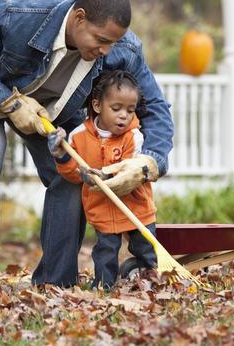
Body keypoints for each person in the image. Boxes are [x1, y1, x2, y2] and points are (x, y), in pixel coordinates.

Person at [0, 0, 173, 292]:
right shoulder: (12, 8)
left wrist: (149, 163)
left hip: (52, 107)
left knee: (75, 173)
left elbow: (154, 105)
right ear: (79, 18)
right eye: (100, 40)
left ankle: (54, 284)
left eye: (112, 43)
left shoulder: (122, 48)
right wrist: (6, 100)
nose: (106, 51)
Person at [47, 70, 157, 288]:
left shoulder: (133, 136)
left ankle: (152, 281)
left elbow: (127, 168)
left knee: (146, 248)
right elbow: (72, 174)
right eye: (116, 109)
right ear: (97, 106)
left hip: (136, 207)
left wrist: (104, 174)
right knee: (105, 252)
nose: (124, 115)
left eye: (130, 110)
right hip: (103, 209)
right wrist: (61, 156)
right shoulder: (78, 136)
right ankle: (104, 287)